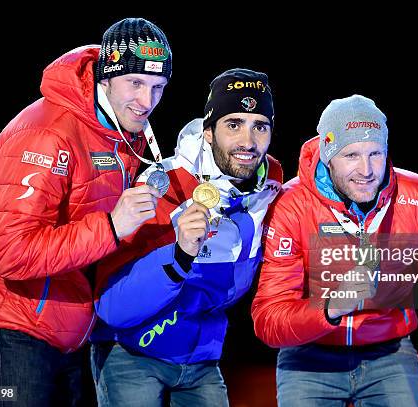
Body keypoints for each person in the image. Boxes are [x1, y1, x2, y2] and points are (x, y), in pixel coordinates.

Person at [0, 18, 172, 405]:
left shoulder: (117, 131)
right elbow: (10, 253)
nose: (147, 101)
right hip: (11, 333)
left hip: (70, 331)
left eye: (158, 87)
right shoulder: (45, 134)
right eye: (136, 83)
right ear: (105, 78)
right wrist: (112, 226)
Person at [252, 95, 418, 406]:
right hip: (308, 355)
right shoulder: (291, 206)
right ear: (328, 156)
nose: (366, 170)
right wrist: (331, 308)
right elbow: (268, 319)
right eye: (351, 154)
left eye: (376, 153)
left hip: (390, 353)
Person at [90, 68, 283, 406]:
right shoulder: (162, 185)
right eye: (234, 124)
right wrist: (179, 257)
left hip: (202, 361)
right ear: (208, 132)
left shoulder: (270, 190)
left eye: (260, 126)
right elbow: (111, 307)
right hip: (133, 354)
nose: (248, 142)